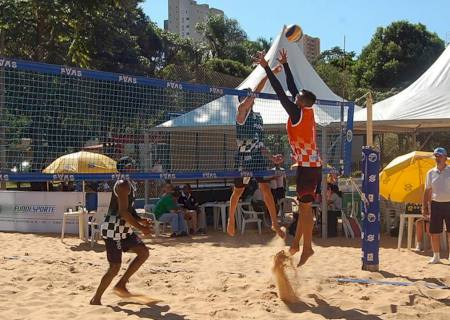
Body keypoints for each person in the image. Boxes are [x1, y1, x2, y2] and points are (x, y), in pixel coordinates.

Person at [256, 49, 322, 267]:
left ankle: (308, 247)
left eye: (298, 97)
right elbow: (293, 89)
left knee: (304, 210)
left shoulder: (296, 113)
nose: (295, 95)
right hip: (311, 166)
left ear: (302, 102)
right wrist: (285, 65)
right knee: (304, 208)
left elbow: (281, 92)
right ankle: (296, 246)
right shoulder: (307, 111)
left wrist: (266, 67)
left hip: (308, 168)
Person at [227, 65, 285, 238]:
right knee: (238, 192)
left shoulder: (258, 117)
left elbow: (260, 144)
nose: (251, 99)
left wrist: (272, 157)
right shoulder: (241, 113)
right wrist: (270, 72)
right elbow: (254, 94)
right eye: (247, 98)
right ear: (242, 101)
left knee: (266, 188)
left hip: (257, 157)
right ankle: (231, 220)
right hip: (244, 158)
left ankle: (274, 223)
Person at [90, 156, 151, 305]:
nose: (135, 167)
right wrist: (141, 227)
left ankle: (121, 284)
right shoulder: (123, 184)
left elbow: (129, 210)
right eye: (132, 165)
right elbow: (123, 212)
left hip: (124, 230)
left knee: (143, 253)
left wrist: (140, 219)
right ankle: (96, 299)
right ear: (126, 167)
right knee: (115, 267)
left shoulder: (130, 184)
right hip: (113, 230)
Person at [422, 147, 450, 264]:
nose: (437, 158)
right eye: (436, 156)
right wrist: (425, 207)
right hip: (435, 205)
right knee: (434, 232)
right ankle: (436, 256)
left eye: (439, 156)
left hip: (449, 204)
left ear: (445, 157)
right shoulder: (430, 173)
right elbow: (427, 191)